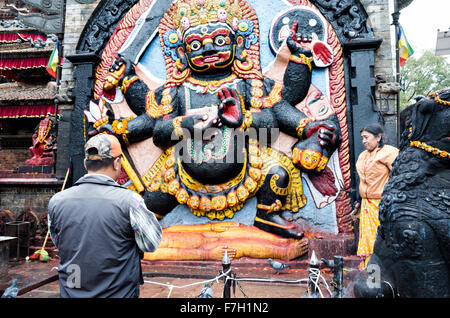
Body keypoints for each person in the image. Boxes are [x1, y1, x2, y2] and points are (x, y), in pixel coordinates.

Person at [48, 134, 162, 297]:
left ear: (85, 164)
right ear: (117, 163)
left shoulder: (57, 201)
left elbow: (60, 243)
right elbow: (151, 243)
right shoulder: (130, 201)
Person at [355, 123, 398, 269]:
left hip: (382, 204)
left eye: (366, 137)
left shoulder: (389, 152)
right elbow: (361, 180)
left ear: (378, 137)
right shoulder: (363, 155)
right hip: (366, 205)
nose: (364, 141)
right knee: (367, 238)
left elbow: (398, 176)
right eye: (362, 138)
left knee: (377, 238)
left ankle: (382, 272)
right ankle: (369, 272)